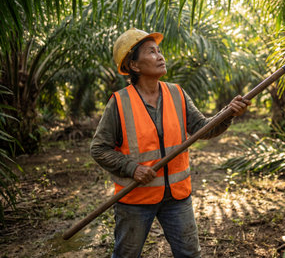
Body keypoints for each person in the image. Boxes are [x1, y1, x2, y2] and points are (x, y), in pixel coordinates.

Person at [90, 28, 250, 258]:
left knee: (189, 254)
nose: (160, 56)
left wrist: (228, 113)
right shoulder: (119, 103)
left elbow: (202, 129)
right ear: (134, 65)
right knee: (126, 254)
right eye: (151, 52)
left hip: (177, 197)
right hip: (135, 198)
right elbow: (98, 148)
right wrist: (132, 168)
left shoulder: (177, 93)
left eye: (159, 51)